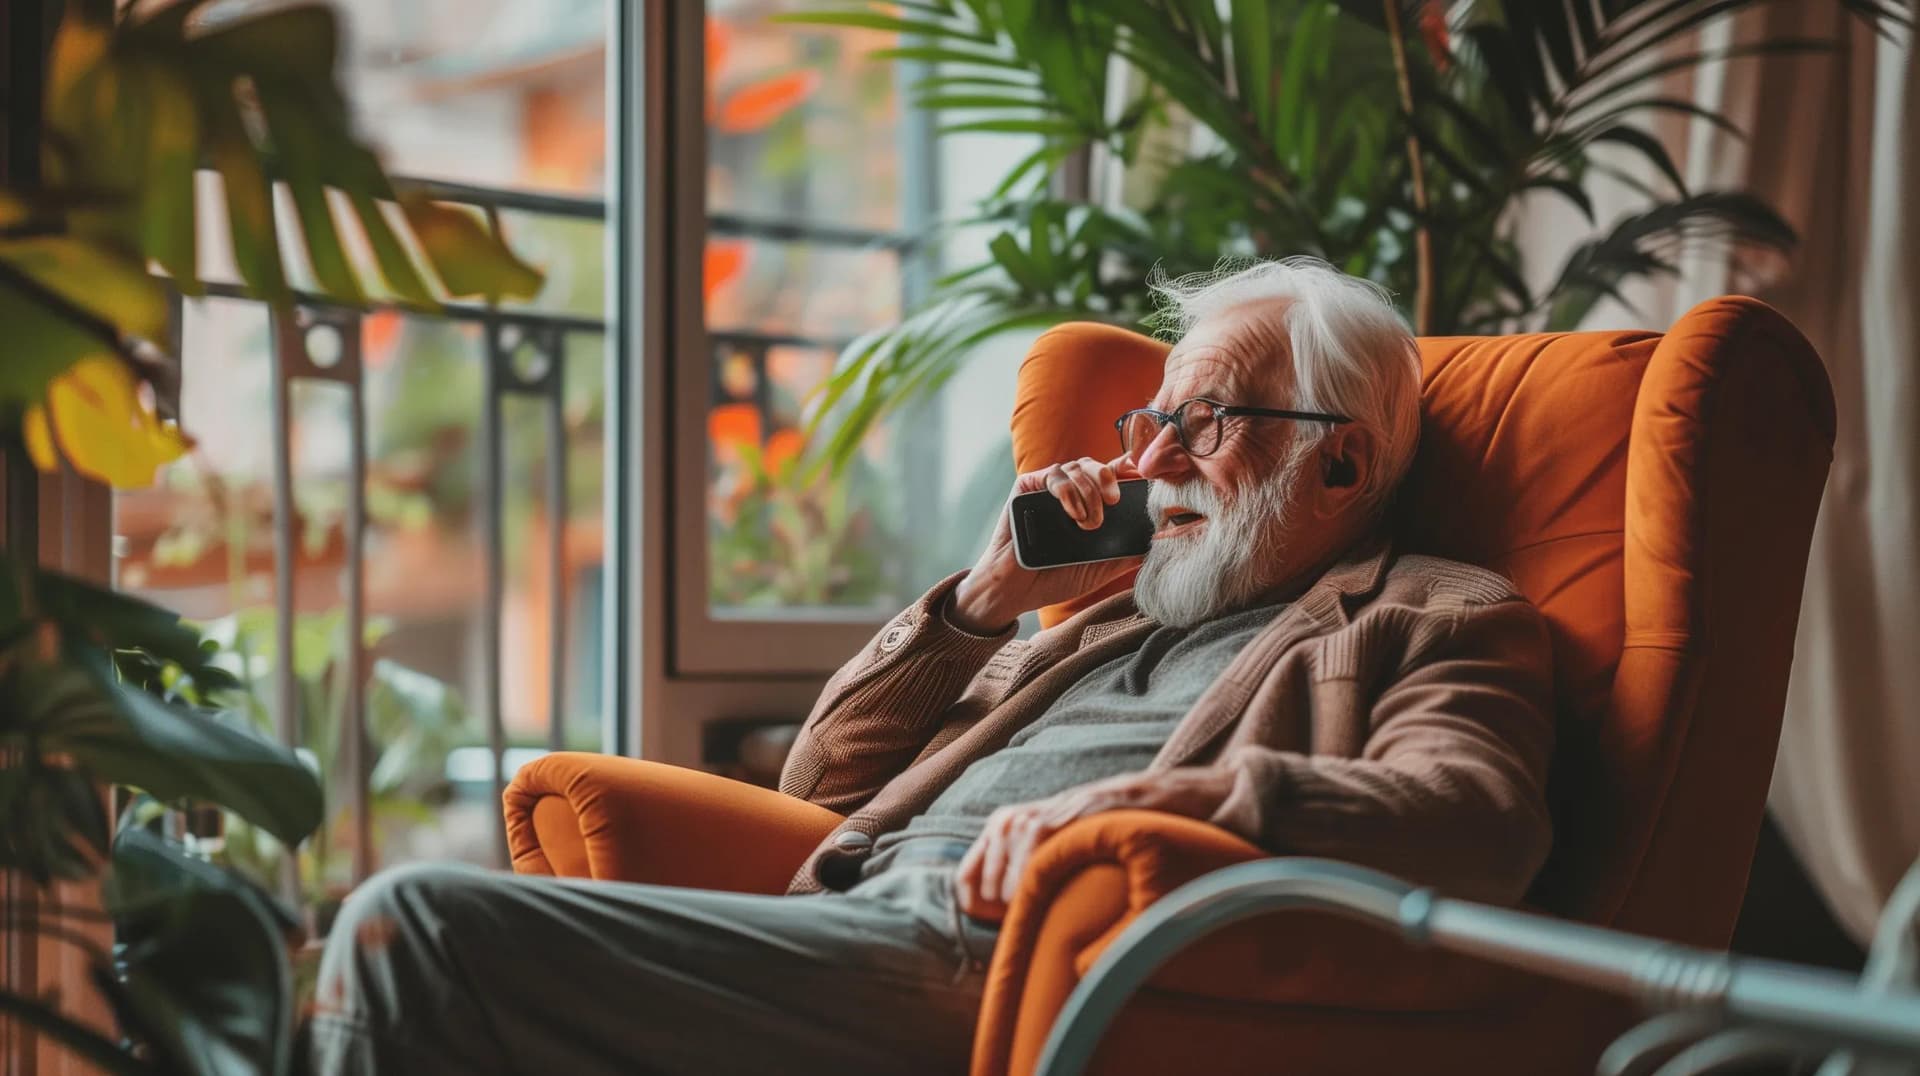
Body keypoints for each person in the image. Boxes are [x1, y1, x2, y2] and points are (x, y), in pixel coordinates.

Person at [303, 257, 1555, 1075]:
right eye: (1152, 422)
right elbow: (823, 779)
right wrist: (986, 596)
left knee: (417, 929)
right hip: (848, 923)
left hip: (1007, 959)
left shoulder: (1438, 614)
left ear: (1341, 463)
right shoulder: (1107, 621)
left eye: (1206, 421)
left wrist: (1151, 808)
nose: (1152, 462)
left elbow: (1475, 816)